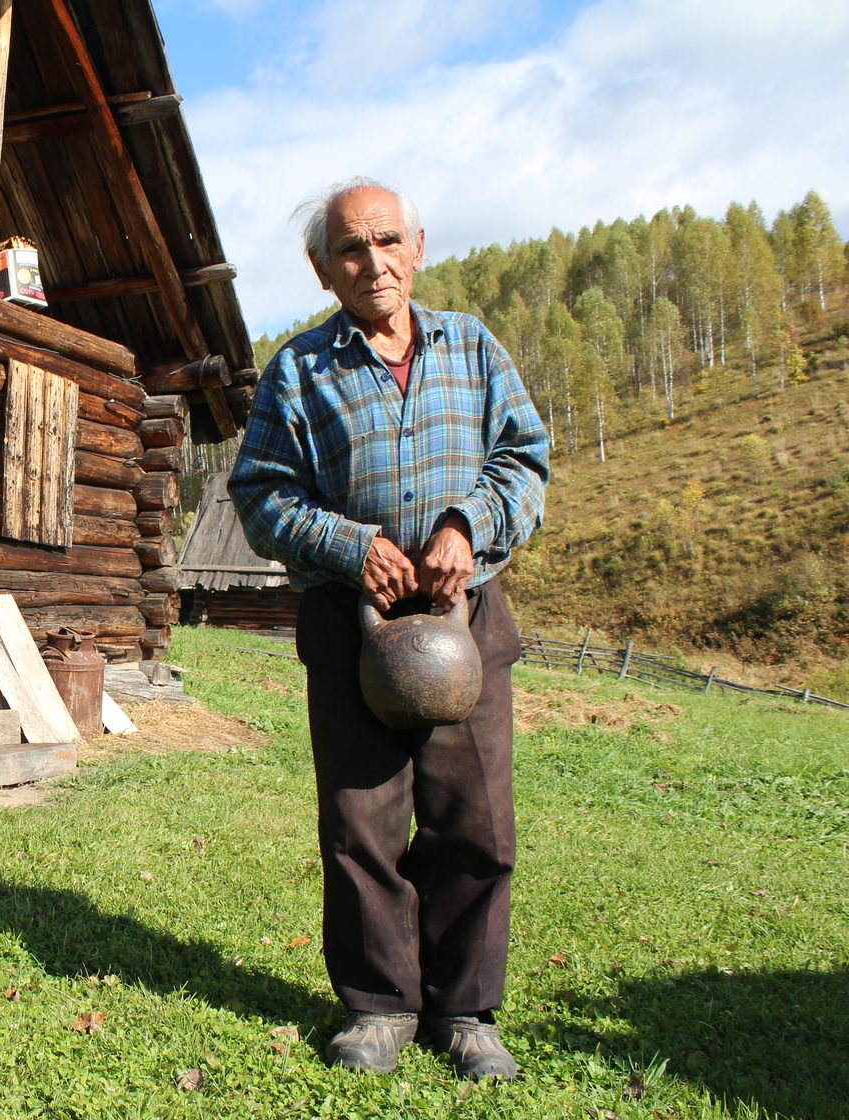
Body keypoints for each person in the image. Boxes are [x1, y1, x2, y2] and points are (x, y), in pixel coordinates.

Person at [228, 178, 549, 1080]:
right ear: (324, 270)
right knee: (362, 827)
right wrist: (345, 542)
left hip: (465, 622)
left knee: (475, 825)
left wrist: (467, 526)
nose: (374, 263)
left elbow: (524, 460)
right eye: (351, 249)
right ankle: (378, 1007)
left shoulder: (474, 349)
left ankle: (467, 1011)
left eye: (387, 242)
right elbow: (258, 494)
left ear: (419, 246)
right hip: (350, 622)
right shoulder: (300, 369)